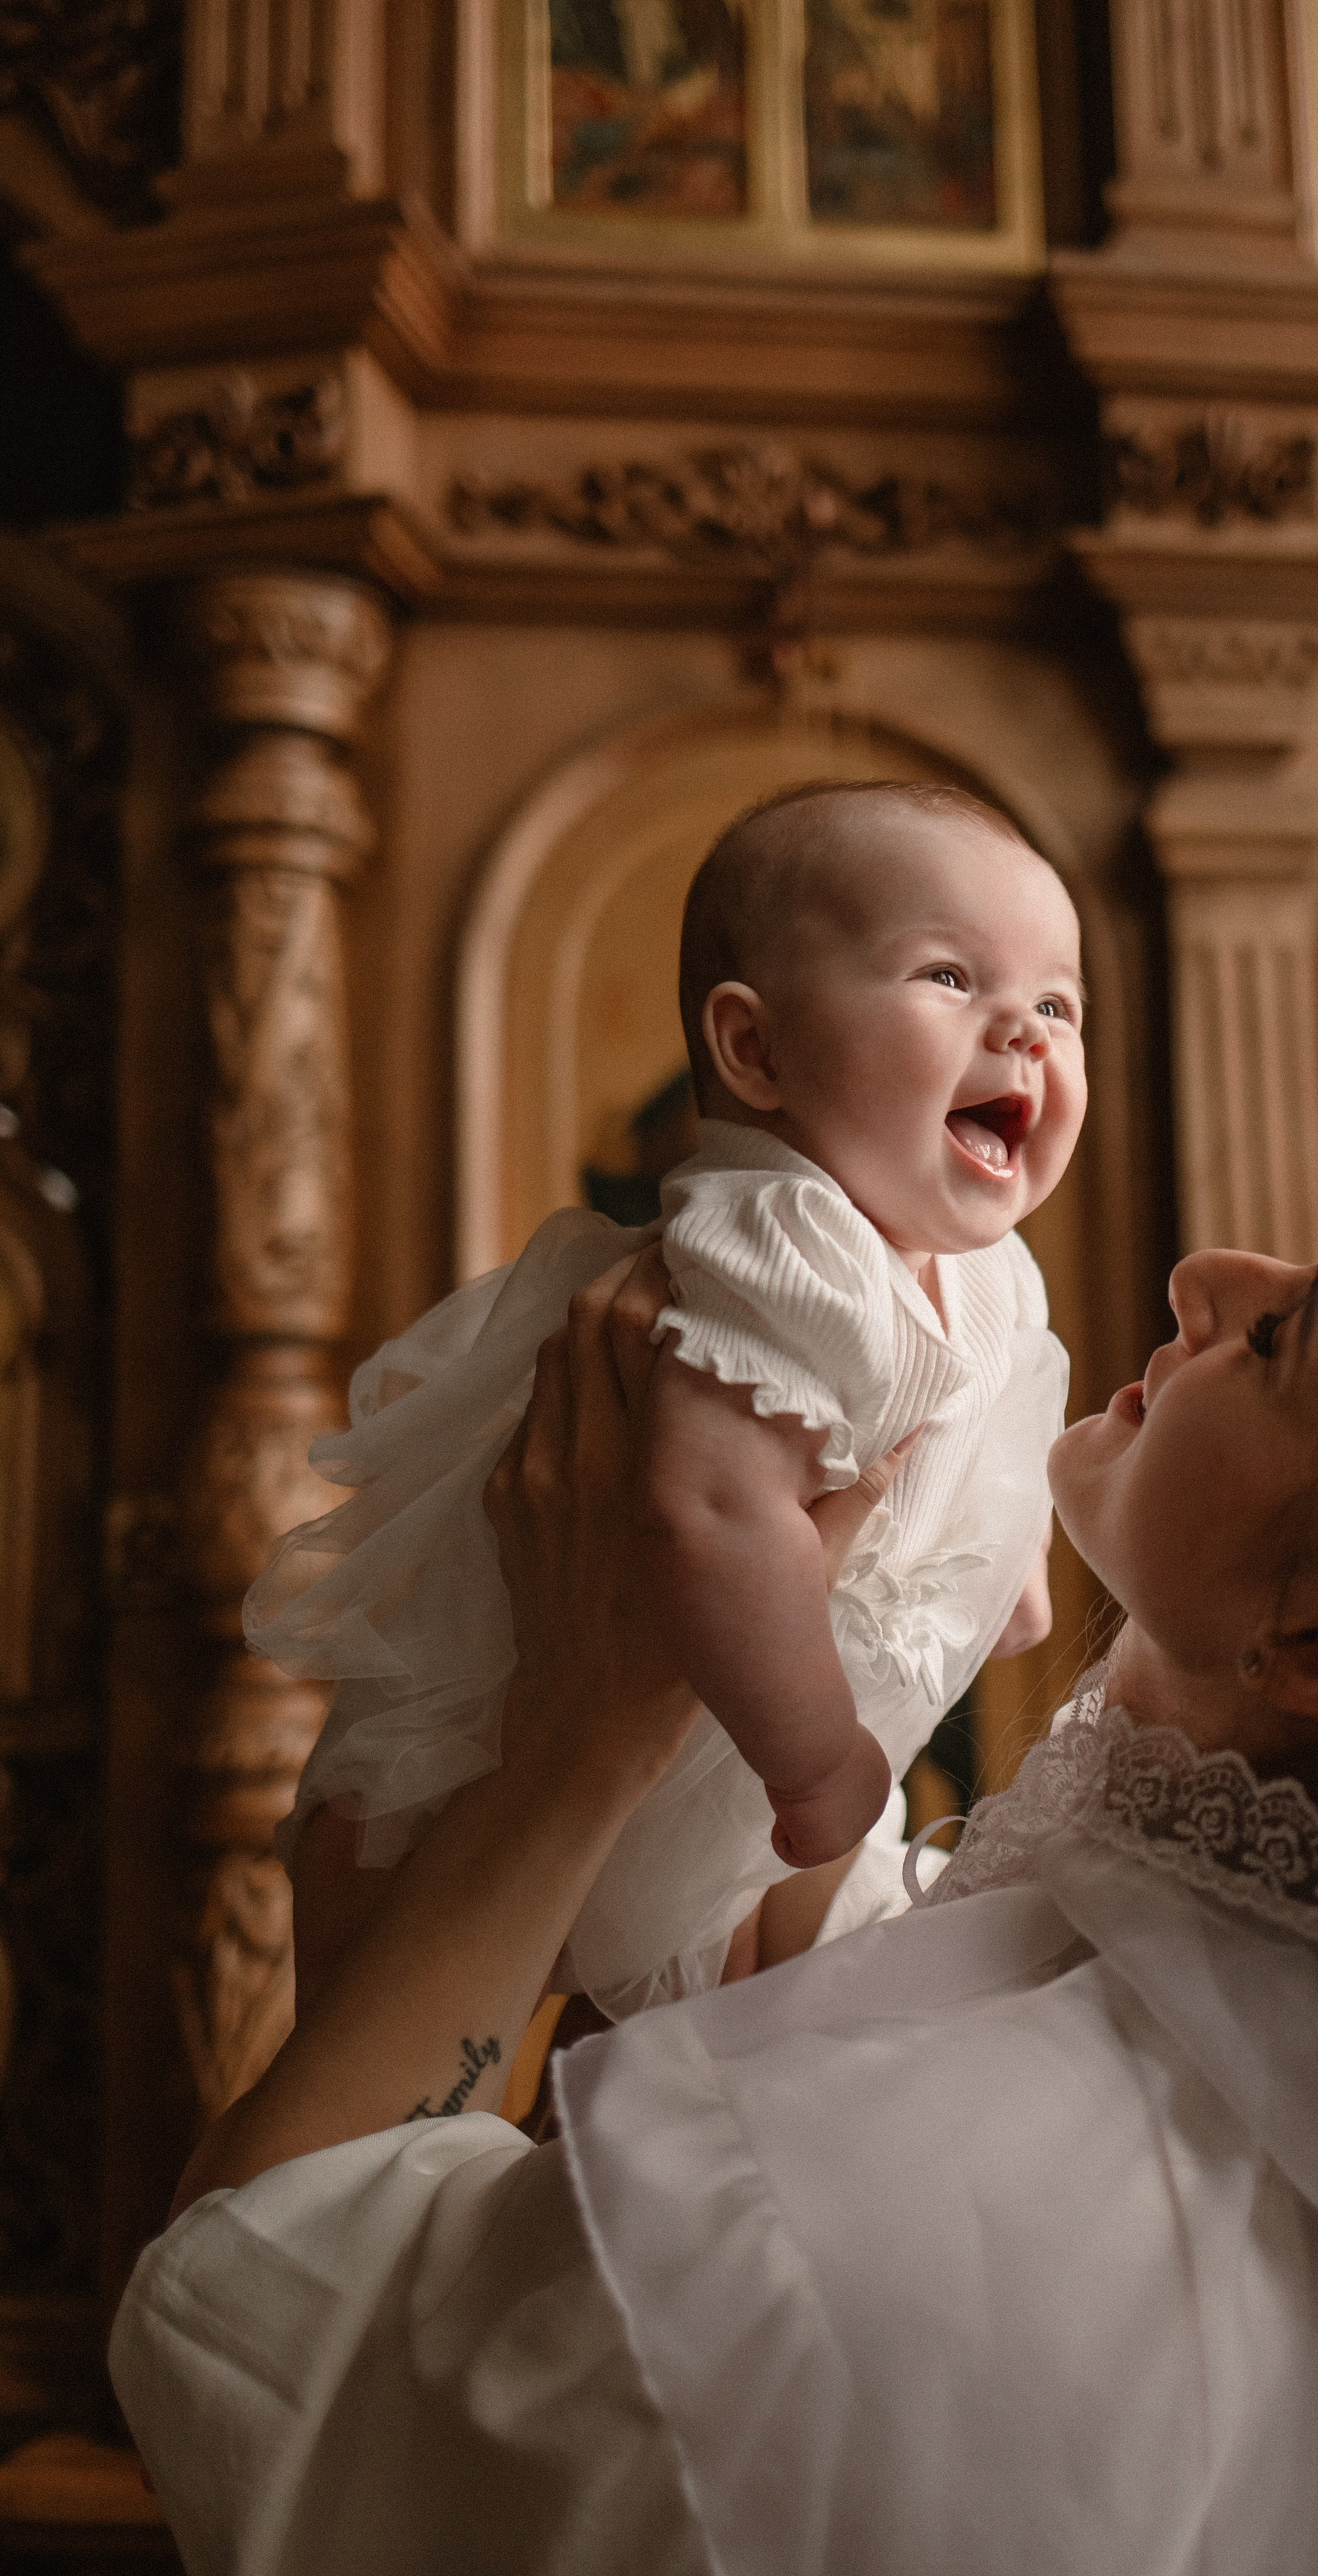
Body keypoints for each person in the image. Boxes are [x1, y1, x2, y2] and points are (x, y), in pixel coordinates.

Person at [114, 1195, 1318, 2575]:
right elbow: (878, 1974)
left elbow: (267, 2330)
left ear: (1315, 1643)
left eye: (1288, 1331)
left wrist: (589, 1726)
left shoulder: (808, 2239)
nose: (1206, 1272)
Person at [249, 780, 1082, 2013]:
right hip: (619, 1721)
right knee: (589, 1992)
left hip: (745, 1721)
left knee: (737, 2026)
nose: (1026, 1032)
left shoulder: (984, 1268)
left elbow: (993, 1425)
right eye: (950, 979)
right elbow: (702, 1511)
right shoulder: (785, 1246)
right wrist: (813, 1764)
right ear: (755, 1049)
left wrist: (1006, 1578)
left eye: (1058, 1003)